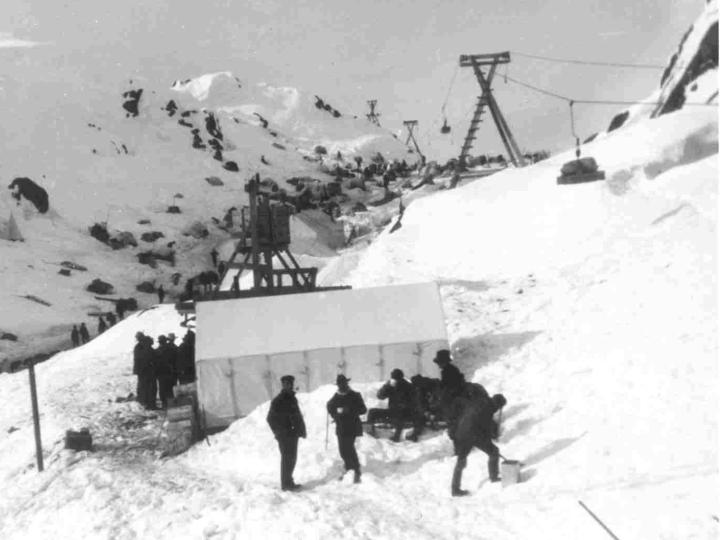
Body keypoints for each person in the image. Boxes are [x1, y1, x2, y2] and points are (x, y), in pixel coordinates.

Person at [451, 394, 507, 496]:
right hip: (472, 434)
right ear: (498, 405)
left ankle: (455, 489)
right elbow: (484, 427)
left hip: (461, 432)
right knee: (494, 451)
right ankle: (494, 476)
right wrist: (488, 438)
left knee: (461, 460)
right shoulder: (489, 409)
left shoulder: (481, 402)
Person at [266, 375, 307, 491]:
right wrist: (279, 433)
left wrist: (301, 430)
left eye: (290, 384)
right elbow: (270, 419)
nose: (289, 386)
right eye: (286, 384)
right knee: (287, 459)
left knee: (292, 459)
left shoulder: (292, 398)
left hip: (293, 434)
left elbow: (297, 415)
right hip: (285, 436)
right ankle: (285, 484)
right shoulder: (278, 401)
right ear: (283, 385)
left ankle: (289, 481)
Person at [327, 374, 367, 483]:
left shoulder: (355, 395)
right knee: (342, 450)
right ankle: (351, 468)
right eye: (340, 384)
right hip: (341, 427)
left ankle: (355, 470)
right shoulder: (336, 397)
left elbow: (363, 409)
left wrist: (349, 410)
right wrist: (335, 414)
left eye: (343, 383)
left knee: (348, 448)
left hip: (352, 426)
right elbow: (330, 407)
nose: (341, 386)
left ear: (347, 383)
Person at [376, 368, 423, 442]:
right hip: (392, 411)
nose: (395, 381)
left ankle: (397, 437)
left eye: (396, 379)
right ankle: (371, 434)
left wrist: (404, 405)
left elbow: (414, 401)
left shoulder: (408, 386)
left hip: (406, 412)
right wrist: (387, 386)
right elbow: (380, 396)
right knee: (373, 412)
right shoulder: (390, 386)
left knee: (400, 413)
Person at [154, 335, 176, 408]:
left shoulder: (156, 351)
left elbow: (155, 363)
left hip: (161, 373)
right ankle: (171, 403)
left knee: (162, 388)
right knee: (170, 388)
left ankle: (164, 403)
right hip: (169, 372)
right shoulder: (171, 349)